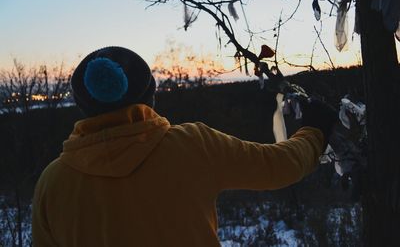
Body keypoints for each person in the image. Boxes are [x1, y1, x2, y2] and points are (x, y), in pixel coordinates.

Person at [32, 46, 337, 247]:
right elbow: (278, 166)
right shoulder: (192, 145)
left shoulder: (52, 182)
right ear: (150, 97)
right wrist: (314, 130)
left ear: (84, 107)